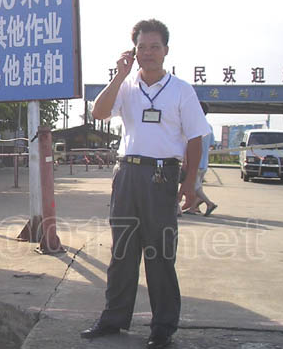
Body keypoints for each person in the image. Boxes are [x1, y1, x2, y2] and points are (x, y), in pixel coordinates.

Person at [82, 19, 210, 349]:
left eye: (155, 47)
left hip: (162, 176)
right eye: (142, 47)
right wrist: (119, 75)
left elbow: (195, 138)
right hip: (128, 174)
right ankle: (113, 318)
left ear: (166, 51)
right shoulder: (126, 86)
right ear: (133, 51)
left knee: (160, 253)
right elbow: (99, 113)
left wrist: (190, 184)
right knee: (122, 251)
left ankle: (163, 326)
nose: (148, 53)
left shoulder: (181, 90)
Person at [183, 102, 218, 216]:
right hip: (204, 161)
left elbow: (187, 144)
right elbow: (211, 144)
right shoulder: (209, 126)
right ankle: (194, 208)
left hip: (195, 162)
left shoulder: (193, 125)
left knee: (194, 186)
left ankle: (209, 203)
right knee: (198, 185)